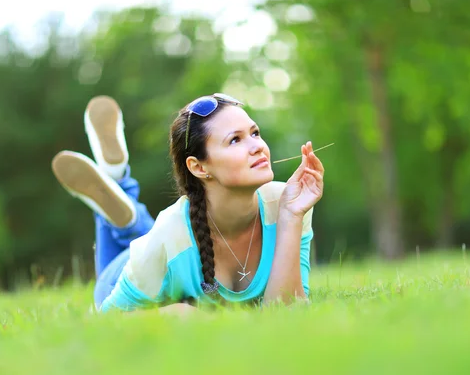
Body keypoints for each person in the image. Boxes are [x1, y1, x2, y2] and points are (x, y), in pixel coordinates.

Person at [51, 93, 324, 314]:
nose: (257, 146)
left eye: (254, 133)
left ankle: (119, 184)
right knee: (157, 236)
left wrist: (291, 216)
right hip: (130, 271)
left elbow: (286, 314)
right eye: (235, 140)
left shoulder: (287, 202)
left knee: (156, 232)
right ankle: (121, 190)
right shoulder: (167, 238)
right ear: (199, 167)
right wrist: (174, 314)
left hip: (165, 248)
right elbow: (107, 324)